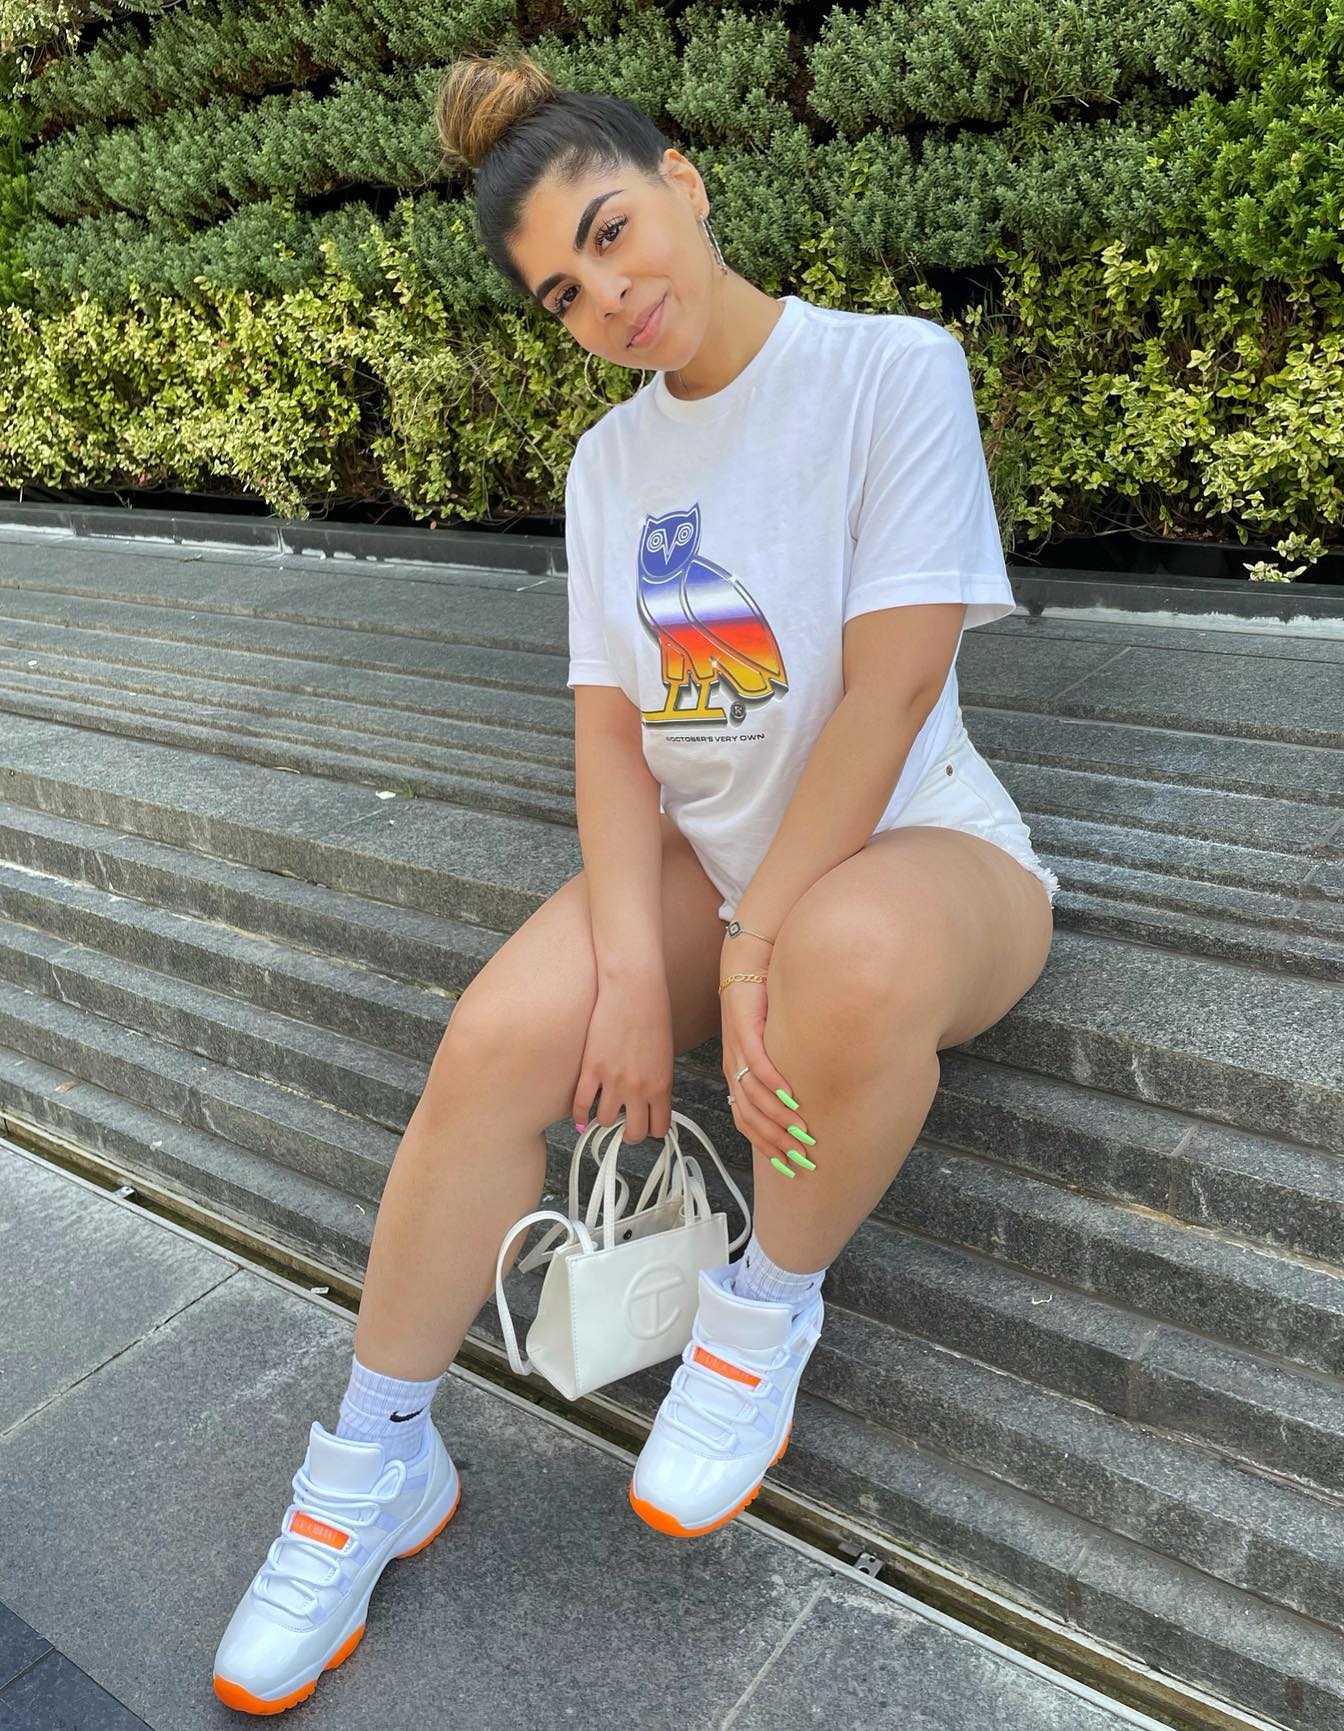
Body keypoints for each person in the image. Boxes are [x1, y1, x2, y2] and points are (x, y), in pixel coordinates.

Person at [212, 42, 1060, 1716]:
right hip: (711, 864)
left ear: (682, 180)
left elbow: (891, 691)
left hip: (926, 851)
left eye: (610, 233)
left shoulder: (888, 369)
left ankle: (762, 1309)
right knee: (493, 1040)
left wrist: (746, 951)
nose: (605, 296)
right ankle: (374, 1462)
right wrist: (620, 971)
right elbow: (613, 740)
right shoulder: (610, 468)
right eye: (560, 292)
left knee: (842, 957)